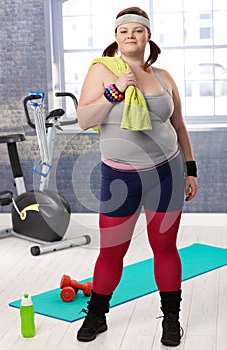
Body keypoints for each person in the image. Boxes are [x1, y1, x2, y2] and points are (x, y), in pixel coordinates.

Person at [76, 6, 198, 347]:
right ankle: (97, 315)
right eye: (124, 30)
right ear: (115, 38)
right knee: (113, 250)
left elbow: (179, 126)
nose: (131, 35)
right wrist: (115, 90)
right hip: (119, 178)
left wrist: (190, 169)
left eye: (138, 30)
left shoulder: (164, 76)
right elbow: (85, 119)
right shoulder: (102, 72)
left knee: (164, 247)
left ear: (148, 36)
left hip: (167, 172)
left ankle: (171, 319)